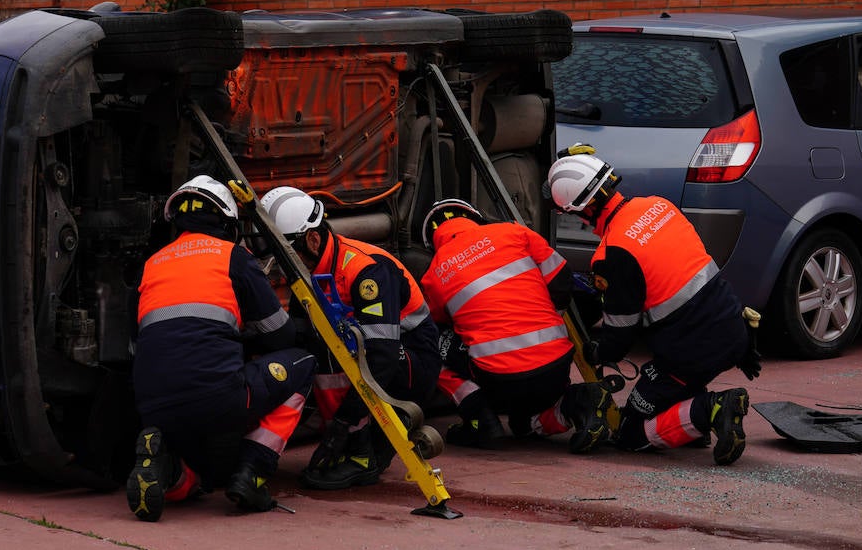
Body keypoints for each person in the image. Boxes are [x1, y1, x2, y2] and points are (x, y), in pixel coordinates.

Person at [544, 145, 757, 465]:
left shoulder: (612, 253)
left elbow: (619, 338)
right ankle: (692, 422)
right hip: (732, 327)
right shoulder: (659, 205)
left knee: (631, 432)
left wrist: (595, 352)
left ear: (582, 210)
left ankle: (709, 411)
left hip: (691, 352)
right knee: (668, 387)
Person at [127, 175, 315, 521]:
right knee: (302, 363)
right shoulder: (233, 256)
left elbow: (139, 343)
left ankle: (170, 474)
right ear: (228, 223)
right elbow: (279, 335)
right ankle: (253, 472)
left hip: (151, 403)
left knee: (205, 476)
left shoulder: (152, 264)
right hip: (218, 397)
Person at [260, 186, 442, 490]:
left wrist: (343, 423)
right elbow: (297, 337)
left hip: (410, 362)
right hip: (379, 361)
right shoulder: (309, 271)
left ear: (313, 240)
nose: (282, 266)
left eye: (285, 254)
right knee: (314, 346)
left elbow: (382, 356)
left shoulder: (365, 270)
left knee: (336, 349)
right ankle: (353, 441)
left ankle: (361, 455)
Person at [418, 198, 613, 453]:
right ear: (475, 217)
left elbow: (440, 324)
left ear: (432, 240)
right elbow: (562, 278)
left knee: (429, 344)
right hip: (555, 367)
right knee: (523, 425)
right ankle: (580, 401)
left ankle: (480, 419)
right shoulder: (513, 231)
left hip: (498, 383)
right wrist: (550, 316)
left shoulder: (434, 272)